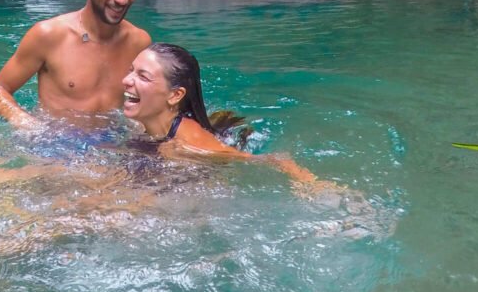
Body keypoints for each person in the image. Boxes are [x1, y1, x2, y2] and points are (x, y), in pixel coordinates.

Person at [0, 0, 152, 131]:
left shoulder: (139, 42)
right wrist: (29, 126)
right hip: (55, 140)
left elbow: (150, 105)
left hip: (112, 140)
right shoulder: (48, 35)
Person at [123, 42, 329, 187]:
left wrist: (309, 183)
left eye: (143, 76)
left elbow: (274, 160)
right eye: (131, 70)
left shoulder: (190, 142)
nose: (126, 80)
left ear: (175, 95)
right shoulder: (140, 122)